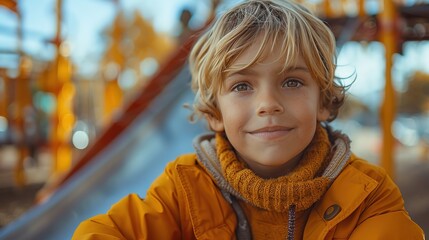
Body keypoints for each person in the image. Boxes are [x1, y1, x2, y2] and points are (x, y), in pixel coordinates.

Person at [72, 0, 424, 239]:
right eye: (242, 86)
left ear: (323, 102)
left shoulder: (366, 194)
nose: (268, 103)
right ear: (215, 113)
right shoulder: (184, 189)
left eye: (292, 81)